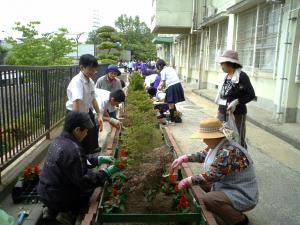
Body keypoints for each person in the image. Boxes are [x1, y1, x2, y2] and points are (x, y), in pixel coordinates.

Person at [170, 117, 258, 225]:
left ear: (215, 137)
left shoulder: (230, 151)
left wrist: (188, 180)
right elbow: (203, 155)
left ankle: (239, 220)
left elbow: (212, 176)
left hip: (242, 192)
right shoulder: (218, 145)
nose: (203, 140)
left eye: (206, 137)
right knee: (202, 183)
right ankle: (224, 206)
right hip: (229, 185)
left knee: (209, 199)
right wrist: (185, 158)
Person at [38, 112, 119, 225]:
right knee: (88, 191)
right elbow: (83, 180)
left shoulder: (58, 141)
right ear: (77, 130)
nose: (86, 134)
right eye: (85, 131)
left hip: (45, 192)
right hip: (59, 197)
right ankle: (66, 214)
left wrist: (97, 160)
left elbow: (77, 162)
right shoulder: (73, 149)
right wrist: (104, 173)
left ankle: (51, 210)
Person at [215, 50, 255, 148]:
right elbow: (223, 95)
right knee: (222, 137)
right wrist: (219, 112)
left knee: (237, 139)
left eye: (222, 63)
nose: (221, 66)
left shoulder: (242, 76)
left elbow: (251, 95)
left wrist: (237, 102)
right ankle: (225, 160)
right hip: (222, 112)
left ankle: (242, 161)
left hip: (237, 114)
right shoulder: (227, 76)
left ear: (230, 63)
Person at [66, 54, 102, 153]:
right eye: (90, 69)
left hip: (85, 112)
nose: (93, 72)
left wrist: (99, 114)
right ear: (82, 67)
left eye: (94, 70)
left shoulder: (90, 81)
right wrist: (75, 122)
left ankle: (89, 155)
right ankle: (80, 160)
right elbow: (76, 102)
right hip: (75, 113)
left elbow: (93, 99)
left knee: (91, 132)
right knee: (77, 140)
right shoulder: (77, 81)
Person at [156, 59, 185, 125]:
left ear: (160, 66)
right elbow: (168, 80)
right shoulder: (170, 68)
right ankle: (174, 118)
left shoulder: (163, 71)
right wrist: (164, 87)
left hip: (172, 86)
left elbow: (163, 82)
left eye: (157, 66)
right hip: (178, 85)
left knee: (170, 104)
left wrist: (159, 88)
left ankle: (173, 121)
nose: (157, 68)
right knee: (172, 102)